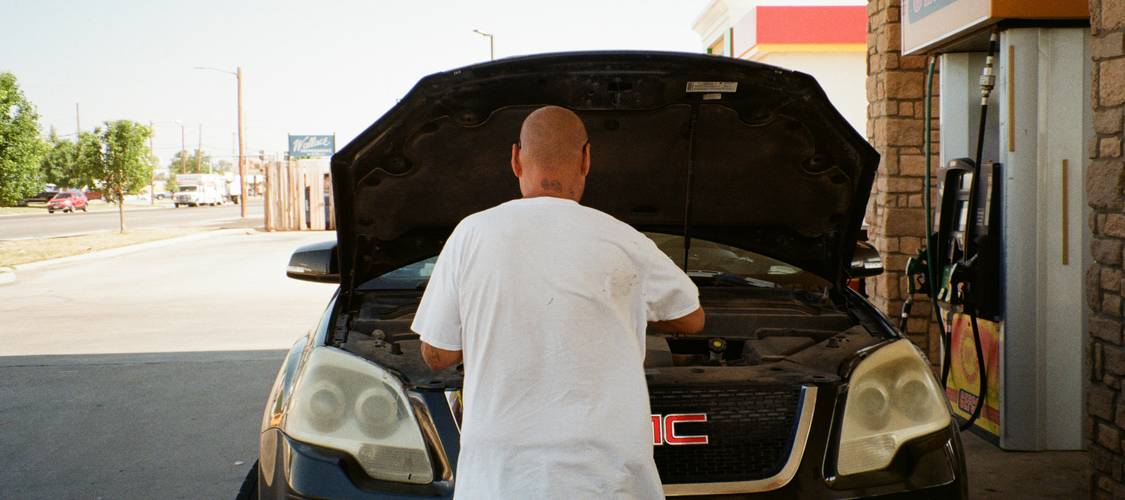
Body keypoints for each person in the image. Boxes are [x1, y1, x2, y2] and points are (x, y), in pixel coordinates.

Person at [411, 105, 705, 499]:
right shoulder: (623, 239)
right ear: (586, 159)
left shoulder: (472, 233)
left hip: (503, 478)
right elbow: (691, 320)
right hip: (606, 479)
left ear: (515, 159)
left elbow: (437, 355)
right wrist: (621, 306)